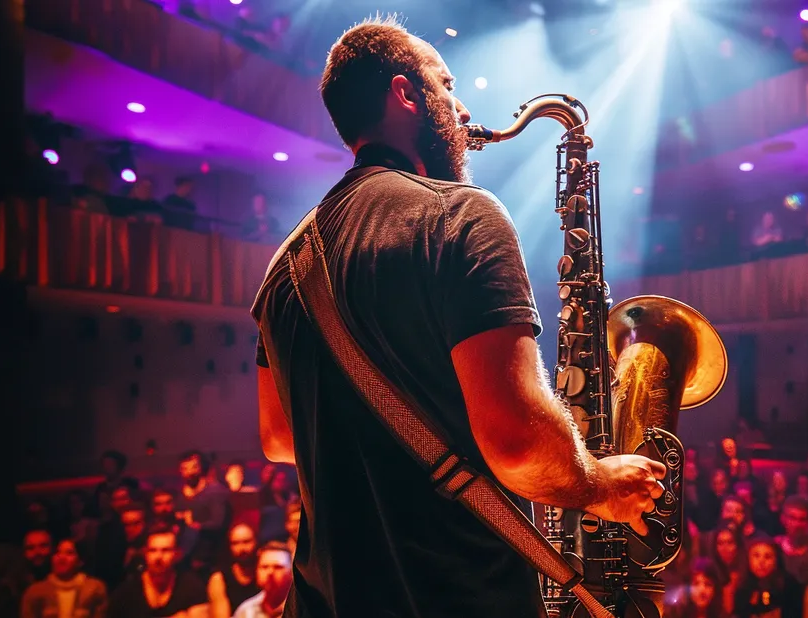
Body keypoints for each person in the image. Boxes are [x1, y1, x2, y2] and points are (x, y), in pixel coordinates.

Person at [251, 14, 668, 618]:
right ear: (405, 93)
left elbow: (278, 437)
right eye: (446, 86)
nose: (463, 109)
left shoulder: (283, 265)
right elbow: (518, 440)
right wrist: (600, 487)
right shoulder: (460, 216)